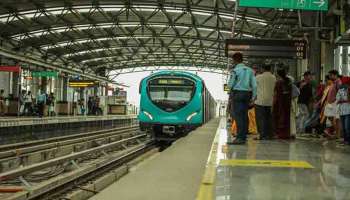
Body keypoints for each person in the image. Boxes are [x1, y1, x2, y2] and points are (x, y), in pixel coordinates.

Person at [227, 52, 257, 145]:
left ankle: (240, 138)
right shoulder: (250, 70)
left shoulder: (235, 71)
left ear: (235, 60)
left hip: (238, 94)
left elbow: (230, 84)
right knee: (244, 116)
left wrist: (229, 89)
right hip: (247, 94)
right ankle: (243, 137)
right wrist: (253, 98)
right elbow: (255, 86)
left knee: (238, 116)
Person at [254, 64, 276, 140]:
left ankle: (262, 135)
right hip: (270, 101)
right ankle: (269, 135)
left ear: (262, 68)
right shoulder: (273, 77)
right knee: (268, 118)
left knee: (260, 119)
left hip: (259, 101)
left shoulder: (258, 77)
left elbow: (254, 88)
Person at [273, 68, 292, 139]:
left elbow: (276, 94)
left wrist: (273, 103)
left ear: (278, 74)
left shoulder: (278, 82)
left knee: (279, 117)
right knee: (286, 117)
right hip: (287, 102)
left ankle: (280, 133)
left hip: (279, 102)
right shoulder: (289, 81)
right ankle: (286, 133)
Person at [323, 70, 341, 138]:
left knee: (337, 119)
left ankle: (338, 134)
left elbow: (340, 92)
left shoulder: (338, 82)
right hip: (330, 103)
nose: (330, 76)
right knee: (330, 117)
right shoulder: (333, 82)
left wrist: (336, 101)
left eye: (331, 75)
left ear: (335, 75)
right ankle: (336, 132)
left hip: (335, 103)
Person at [336, 76, 350, 145]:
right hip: (342, 111)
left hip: (348, 111)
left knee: (347, 127)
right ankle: (345, 140)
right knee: (343, 127)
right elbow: (337, 99)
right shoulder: (340, 90)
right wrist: (344, 100)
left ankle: (348, 140)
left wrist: (343, 100)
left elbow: (348, 99)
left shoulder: (349, 90)